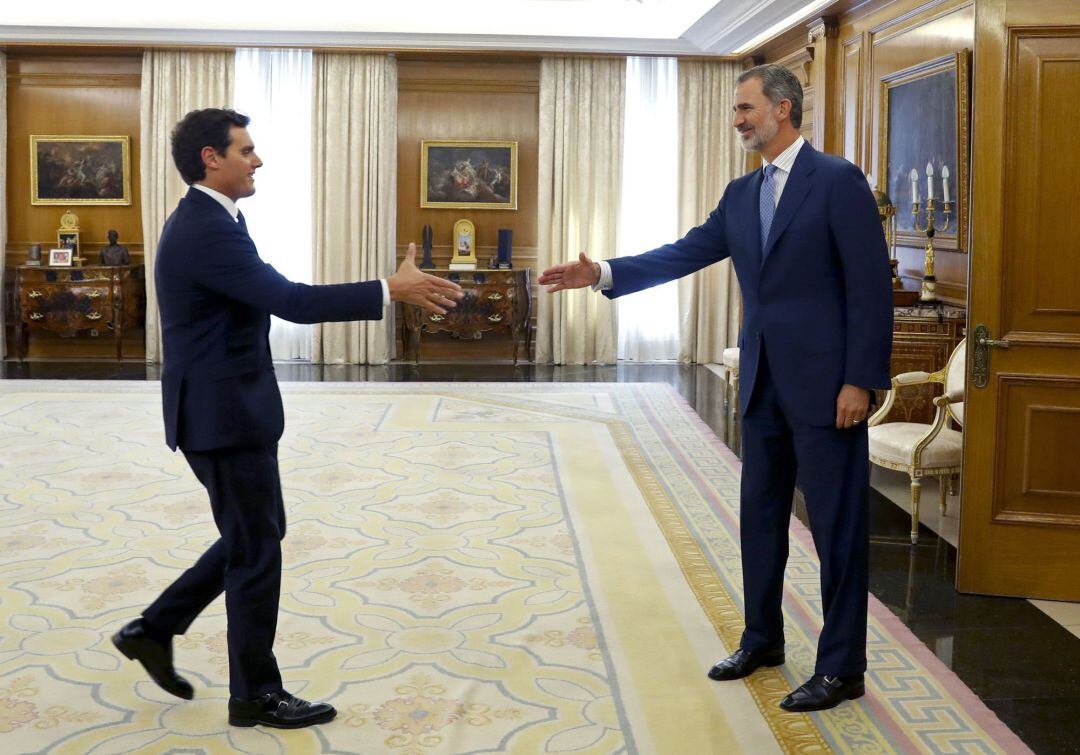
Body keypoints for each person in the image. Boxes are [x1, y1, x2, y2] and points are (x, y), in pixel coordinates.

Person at [538, 64, 893, 713]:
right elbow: (683, 252)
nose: (738, 119)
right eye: (736, 110)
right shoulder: (739, 194)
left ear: (783, 108)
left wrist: (860, 381)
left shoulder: (838, 182)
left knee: (838, 530)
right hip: (760, 386)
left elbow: (871, 289)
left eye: (746, 108)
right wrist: (603, 272)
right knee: (759, 519)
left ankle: (843, 666)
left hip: (827, 391)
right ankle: (763, 639)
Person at [111, 108, 462, 729]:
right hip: (221, 416)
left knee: (255, 535)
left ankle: (154, 627)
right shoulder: (205, 228)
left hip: (228, 408)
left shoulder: (216, 220)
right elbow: (292, 302)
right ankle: (255, 695)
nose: (258, 160)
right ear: (210, 159)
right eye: (245, 150)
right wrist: (389, 288)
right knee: (256, 551)